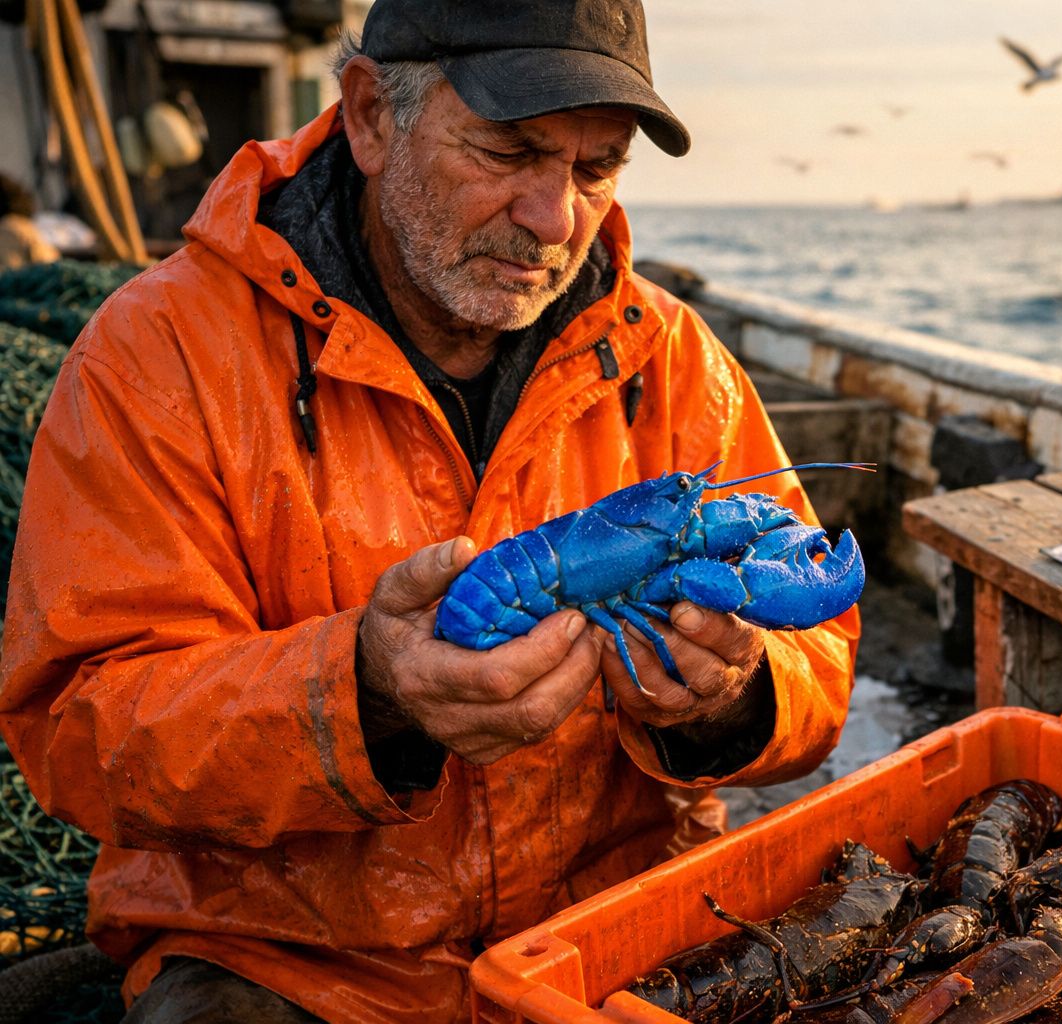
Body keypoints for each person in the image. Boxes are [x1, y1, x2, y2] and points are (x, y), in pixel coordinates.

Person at [0, 1, 859, 1021]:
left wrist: (732, 696)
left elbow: (822, 657)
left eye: (596, 168)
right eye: (507, 150)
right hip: (288, 960)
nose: (555, 217)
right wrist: (364, 691)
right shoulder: (157, 355)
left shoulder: (672, 357)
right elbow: (80, 728)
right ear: (370, 114)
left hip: (613, 934)